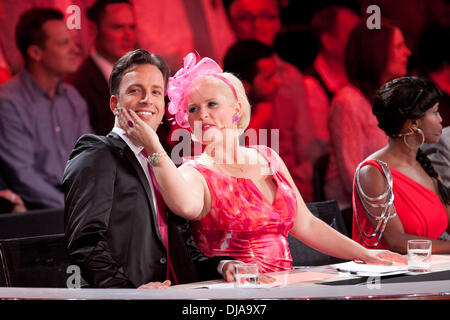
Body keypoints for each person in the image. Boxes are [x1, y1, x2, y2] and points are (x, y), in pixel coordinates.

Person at [116, 52, 405, 274]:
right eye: (193, 109)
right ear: (187, 123)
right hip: (235, 296)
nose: (202, 114)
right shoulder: (193, 171)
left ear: (236, 110)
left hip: (289, 286)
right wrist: (153, 145)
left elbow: (306, 224)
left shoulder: (268, 156)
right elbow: (186, 206)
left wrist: (365, 253)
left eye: (212, 104)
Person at [63, 49, 236, 288]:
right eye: (135, 90)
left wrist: (222, 265)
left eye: (156, 92)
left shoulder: (165, 161)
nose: (147, 99)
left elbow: (183, 248)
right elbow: (86, 244)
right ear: (115, 104)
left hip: (178, 293)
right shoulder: (97, 154)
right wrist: (130, 294)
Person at [0, 8, 92, 210]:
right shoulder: (9, 101)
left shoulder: (73, 97)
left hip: (77, 203)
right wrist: (71, 208)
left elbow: (90, 159)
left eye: (72, 41)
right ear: (35, 53)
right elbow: (22, 175)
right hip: (37, 210)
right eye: (63, 43)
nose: (75, 50)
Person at [324, 22, 411, 230]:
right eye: (399, 46)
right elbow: (352, 175)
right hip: (355, 214)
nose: (407, 52)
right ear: (378, 53)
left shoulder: (389, 100)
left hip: (389, 204)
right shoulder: (348, 102)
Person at [226, 0, 313, 201]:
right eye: (246, 18)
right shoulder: (221, 92)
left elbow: (304, 152)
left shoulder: (288, 86)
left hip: (289, 190)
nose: (257, 25)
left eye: (267, 16)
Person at [352, 76, 450, 253]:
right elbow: (397, 242)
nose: (441, 119)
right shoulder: (373, 172)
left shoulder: (427, 167)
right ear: (413, 123)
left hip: (430, 270)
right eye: (435, 112)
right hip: (392, 276)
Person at [302, 7, 360, 201]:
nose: (361, 40)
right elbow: (321, 152)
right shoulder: (312, 85)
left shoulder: (356, 83)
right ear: (329, 41)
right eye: (354, 33)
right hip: (343, 197)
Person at [69, 0, 137, 136]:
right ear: (94, 30)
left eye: (132, 27)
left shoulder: (146, 75)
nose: (128, 36)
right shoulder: (78, 86)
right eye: (118, 27)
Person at [223, 39, 280, 138]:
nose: (278, 82)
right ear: (244, 85)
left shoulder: (268, 105)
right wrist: (259, 121)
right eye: (268, 78)